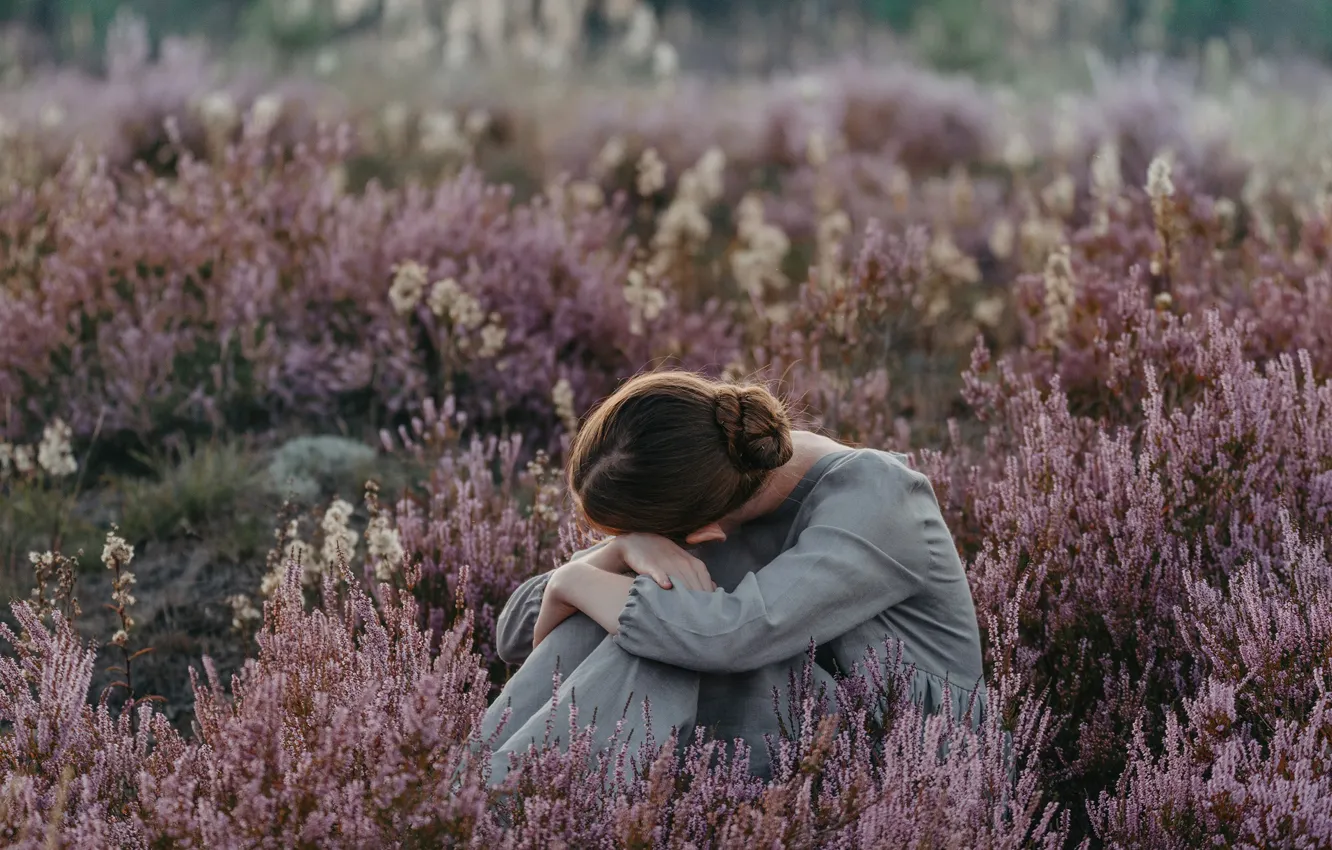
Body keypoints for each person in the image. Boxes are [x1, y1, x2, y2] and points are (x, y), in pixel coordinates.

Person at [480, 371, 984, 785]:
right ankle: (476, 798)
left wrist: (577, 584)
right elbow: (515, 635)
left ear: (702, 531)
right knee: (637, 618)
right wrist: (616, 552)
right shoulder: (715, 473)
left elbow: (729, 637)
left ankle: (514, 807)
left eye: (637, 529)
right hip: (789, 726)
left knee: (665, 632)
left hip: (906, 760)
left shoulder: (877, 500)